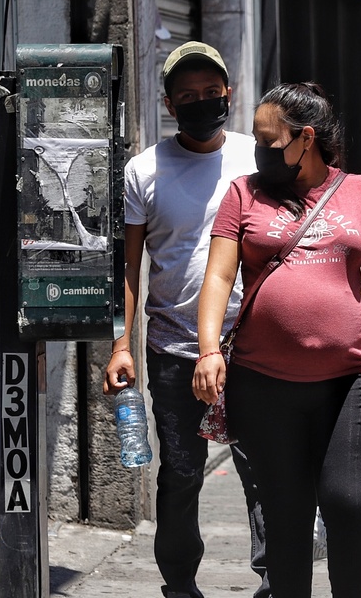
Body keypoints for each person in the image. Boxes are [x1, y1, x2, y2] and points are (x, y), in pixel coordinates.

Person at [192, 82, 361, 598]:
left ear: (305, 139)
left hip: (348, 380)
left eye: (269, 140)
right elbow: (219, 278)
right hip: (264, 383)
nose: (260, 149)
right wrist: (207, 350)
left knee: (349, 503)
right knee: (285, 514)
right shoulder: (243, 194)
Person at [104, 40, 270, 598]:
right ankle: (180, 586)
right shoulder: (144, 170)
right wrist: (122, 344)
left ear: (230, 94)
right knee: (181, 474)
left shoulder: (257, 158)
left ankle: (276, 578)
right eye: (187, 96)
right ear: (170, 105)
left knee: (264, 471)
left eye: (210, 93)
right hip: (175, 352)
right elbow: (129, 268)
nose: (201, 102)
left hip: (255, 348)